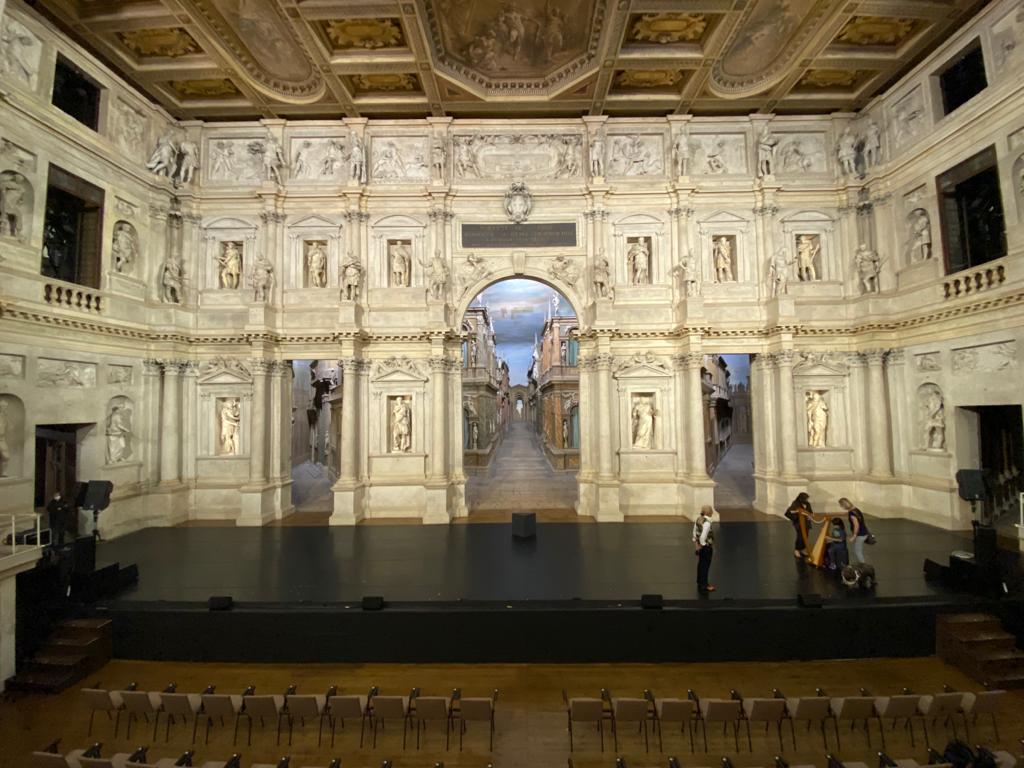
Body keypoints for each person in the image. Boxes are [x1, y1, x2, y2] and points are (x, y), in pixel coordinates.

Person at [693, 505, 716, 593]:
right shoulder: (707, 523)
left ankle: (700, 581)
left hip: (700, 545)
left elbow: (695, 532)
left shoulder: (698, 519)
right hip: (706, 547)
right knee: (705, 565)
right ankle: (704, 584)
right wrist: (703, 545)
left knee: (701, 564)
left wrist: (697, 544)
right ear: (710, 512)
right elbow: (703, 536)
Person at [841, 497, 871, 564]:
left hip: (861, 534)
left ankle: (864, 566)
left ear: (844, 505)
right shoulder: (855, 509)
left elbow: (856, 525)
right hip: (863, 531)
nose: (841, 507)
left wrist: (854, 536)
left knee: (858, 551)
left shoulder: (851, 514)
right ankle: (862, 564)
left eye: (841, 506)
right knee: (858, 550)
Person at [785, 492, 814, 560]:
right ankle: (797, 550)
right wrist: (797, 512)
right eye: (805, 499)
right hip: (799, 523)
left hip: (806, 523)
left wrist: (810, 516)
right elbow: (788, 512)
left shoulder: (807, 504)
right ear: (801, 498)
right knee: (800, 537)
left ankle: (802, 549)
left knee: (806, 536)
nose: (806, 500)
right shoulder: (795, 503)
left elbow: (810, 512)